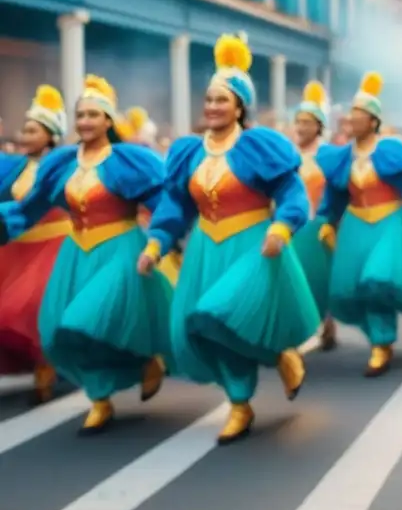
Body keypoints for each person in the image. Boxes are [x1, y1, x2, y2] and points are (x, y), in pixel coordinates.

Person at [138, 34, 319, 445]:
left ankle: (263, 374)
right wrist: (155, 244)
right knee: (199, 324)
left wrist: (281, 227)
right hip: (205, 248)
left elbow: (292, 194)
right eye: (209, 99)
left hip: (253, 246)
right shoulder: (187, 152)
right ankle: (243, 399)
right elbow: (174, 207)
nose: (213, 107)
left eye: (222, 100)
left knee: (222, 314)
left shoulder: (259, 146)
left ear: (240, 105)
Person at [0, 75, 173, 433]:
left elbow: (164, 206)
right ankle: (100, 399)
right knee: (60, 334)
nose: (86, 122)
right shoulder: (61, 163)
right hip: (76, 254)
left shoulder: (128, 161)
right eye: (81, 115)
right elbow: (29, 208)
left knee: (87, 320)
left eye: (94, 115)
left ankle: (143, 360)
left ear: (108, 120)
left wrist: (160, 241)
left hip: (119, 251)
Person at [317, 72, 402, 375]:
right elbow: (334, 195)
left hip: (391, 222)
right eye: (351, 114)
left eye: (358, 115)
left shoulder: (391, 151)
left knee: (377, 278)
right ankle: (379, 342)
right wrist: (328, 221)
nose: (351, 120)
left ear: (372, 121)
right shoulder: (342, 156)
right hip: (357, 225)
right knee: (352, 288)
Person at [0, 85, 70, 402]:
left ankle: (46, 367)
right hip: (17, 249)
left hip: (52, 249)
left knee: (32, 309)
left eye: (33, 130)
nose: (25, 135)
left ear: (51, 136)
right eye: (25, 130)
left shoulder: (65, 165)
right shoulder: (14, 166)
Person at [290, 81, 337, 350]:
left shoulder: (330, 154)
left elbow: (340, 188)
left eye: (307, 122)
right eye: (298, 122)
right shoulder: (290, 154)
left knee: (321, 277)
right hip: (296, 226)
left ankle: (328, 321)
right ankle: (301, 327)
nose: (301, 127)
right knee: (297, 278)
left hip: (321, 226)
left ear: (318, 125)